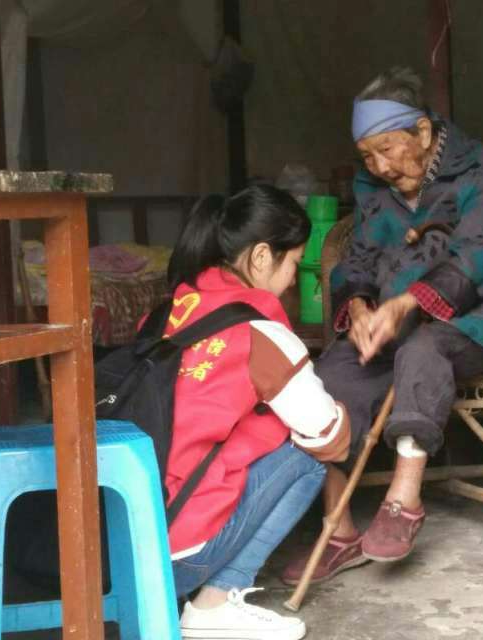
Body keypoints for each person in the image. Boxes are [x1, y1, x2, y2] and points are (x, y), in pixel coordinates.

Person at [281, 66, 483, 598]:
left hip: (471, 320)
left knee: (424, 350)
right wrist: (358, 304)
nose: (378, 167)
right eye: (366, 157)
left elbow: (481, 255)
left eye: (386, 150)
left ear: (422, 132)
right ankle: (339, 532)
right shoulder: (374, 185)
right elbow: (357, 254)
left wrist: (406, 303)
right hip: (389, 325)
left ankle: (404, 501)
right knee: (330, 375)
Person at [163, 185, 351, 640]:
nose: (294, 279)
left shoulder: (174, 307)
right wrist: (341, 409)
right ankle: (213, 605)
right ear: (263, 256)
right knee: (308, 456)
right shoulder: (257, 329)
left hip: (124, 545)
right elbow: (329, 437)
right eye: (295, 263)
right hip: (179, 558)